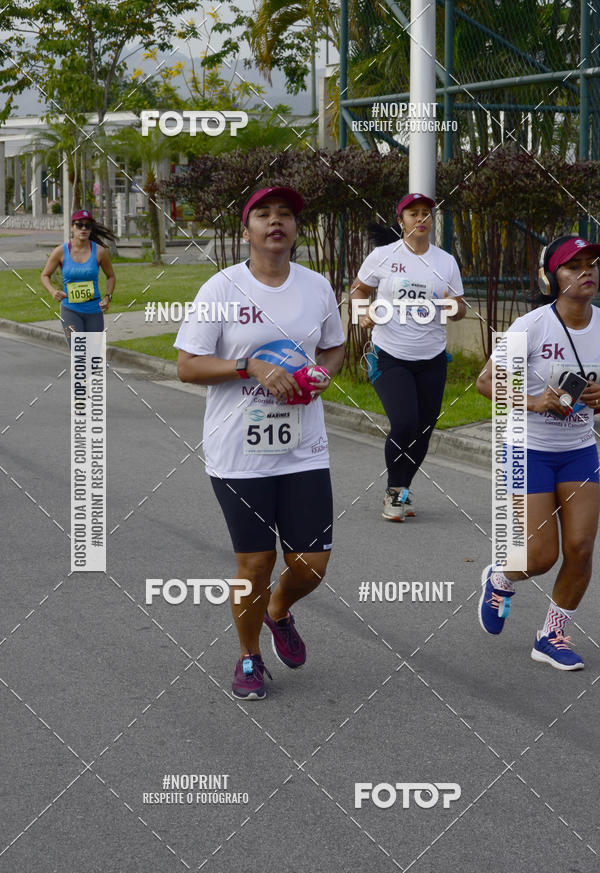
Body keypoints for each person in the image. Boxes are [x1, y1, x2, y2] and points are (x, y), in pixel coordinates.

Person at [175, 187, 345, 700]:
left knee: (311, 565)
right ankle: (249, 656)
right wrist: (250, 365)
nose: (277, 222)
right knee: (255, 565)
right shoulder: (222, 288)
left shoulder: (316, 288)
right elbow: (187, 366)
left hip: (303, 446)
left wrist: (320, 374)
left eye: (287, 215)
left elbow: (334, 346)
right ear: (246, 230)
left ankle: (278, 610)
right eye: (264, 214)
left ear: (296, 230)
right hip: (239, 453)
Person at [477, 234, 600, 670]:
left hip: (580, 449)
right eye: (572, 265)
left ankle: (552, 633)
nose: (586, 271)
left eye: (591, 263)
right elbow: (486, 383)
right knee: (540, 556)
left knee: (582, 548)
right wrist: (536, 401)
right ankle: (499, 576)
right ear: (552, 278)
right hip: (527, 447)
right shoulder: (531, 326)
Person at [351, 192, 466, 521]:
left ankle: (402, 490)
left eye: (426, 214)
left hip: (431, 357)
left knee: (424, 429)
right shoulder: (383, 256)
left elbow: (458, 308)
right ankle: (394, 490)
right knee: (404, 423)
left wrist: (450, 306)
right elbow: (358, 290)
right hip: (391, 354)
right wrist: (362, 313)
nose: (421, 219)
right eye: (413, 213)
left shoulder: (445, 261)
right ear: (401, 221)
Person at [41, 209, 116, 346]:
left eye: (87, 226)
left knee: (94, 355)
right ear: (72, 227)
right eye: (79, 225)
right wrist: (52, 291)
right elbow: (45, 275)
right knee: (79, 354)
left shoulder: (100, 252)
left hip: (94, 309)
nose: (83, 228)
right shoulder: (60, 252)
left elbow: (110, 276)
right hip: (70, 310)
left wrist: (108, 297)